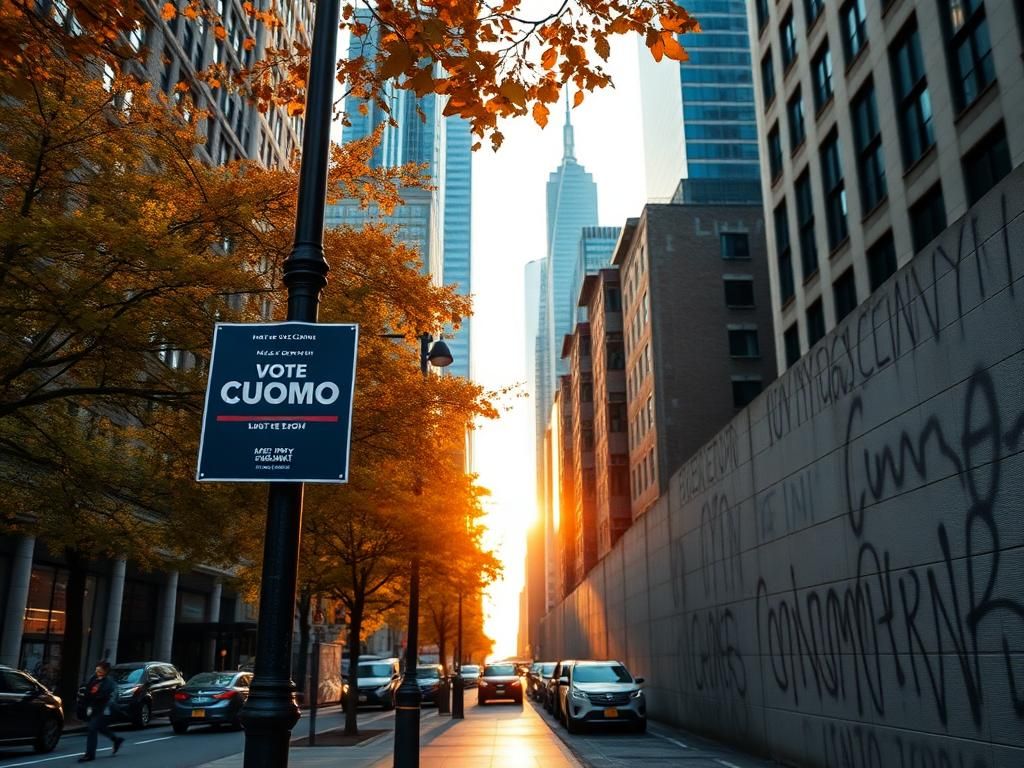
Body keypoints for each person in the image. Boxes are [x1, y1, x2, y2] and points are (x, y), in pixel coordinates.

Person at [78, 660, 125, 762]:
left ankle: (90, 755)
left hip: (103, 709)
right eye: (97, 670)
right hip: (93, 708)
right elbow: (87, 691)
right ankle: (116, 740)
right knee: (100, 728)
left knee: (92, 728)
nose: (97, 672)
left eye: (100, 670)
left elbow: (111, 696)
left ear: (105, 671)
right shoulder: (93, 678)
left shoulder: (109, 683)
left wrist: (107, 706)